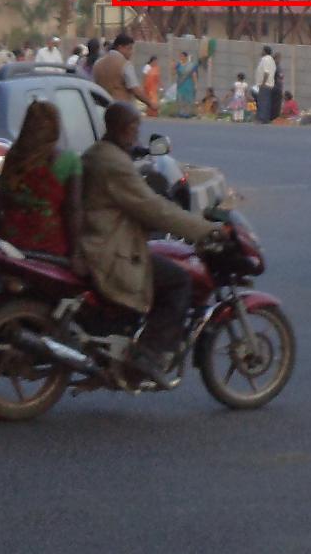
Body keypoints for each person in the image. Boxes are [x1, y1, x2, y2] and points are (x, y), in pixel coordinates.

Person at [79, 101, 221, 383]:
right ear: (122, 128)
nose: (137, 134)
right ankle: (147, 355)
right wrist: (206, 230)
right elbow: (154, 208)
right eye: (134, 127)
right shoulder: (113, 163)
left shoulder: (98, 154)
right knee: (179, 280)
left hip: (100, 240)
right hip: (110, 251)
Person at [0, 100, 86, 271]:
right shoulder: (69, 161)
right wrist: (77, 253)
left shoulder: (14, 156)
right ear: (55, 128)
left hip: (10, 243)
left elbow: (3, 197)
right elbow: (73, 209)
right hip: (49, 246)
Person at [92, 33, 151, 114]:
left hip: (101, 109)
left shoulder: (97, 64)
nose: (131, 52)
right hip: (122, 111)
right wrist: (150, 103)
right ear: (120, 47)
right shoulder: (125, 64)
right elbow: (135, 89)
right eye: (129, 49)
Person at [254, 47, 278, 124]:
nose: (261, 52)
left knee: (262, 102)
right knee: (267, 102)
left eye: (262, 50)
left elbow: (266, 72)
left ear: (265, 51)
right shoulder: (271, 60)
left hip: (265, 84)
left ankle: (262, 118)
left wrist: (263, 83)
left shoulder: (265, 59)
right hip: (269, 84)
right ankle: (266, 118)